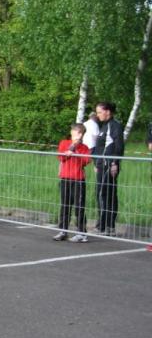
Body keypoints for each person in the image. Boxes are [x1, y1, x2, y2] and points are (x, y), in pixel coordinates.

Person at [54, 123, 91, 242]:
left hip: (78, 179)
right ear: (72, 132)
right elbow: (60, 157)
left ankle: (81, 233)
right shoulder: (64, 143)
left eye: (80, 133)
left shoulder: (84, 147)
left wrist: (76, 151)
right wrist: (69, 149)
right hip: (65, 178)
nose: (77, 135)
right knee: (65, 205)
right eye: (75, 132)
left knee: (79, 206)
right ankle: (63, 231)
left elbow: (86, 161)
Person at [93, 101, 124, 236]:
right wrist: (96, 163)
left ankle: (104, 226)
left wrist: (114, 163)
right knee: (105, 194)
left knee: (103, 194)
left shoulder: (115, 126)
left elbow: (119, 146)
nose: (98, 115)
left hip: (109, 165)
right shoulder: (103, 126)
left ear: (108, 112)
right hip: (101, 165)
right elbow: (99, 147)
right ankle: (108, 226)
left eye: (99, 112)